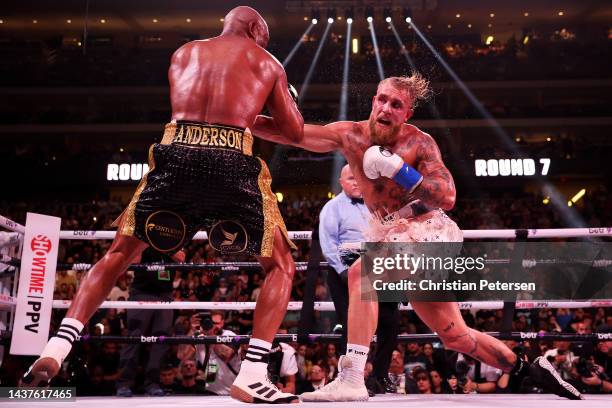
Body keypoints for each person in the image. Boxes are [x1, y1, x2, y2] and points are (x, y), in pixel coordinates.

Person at [21, 6, 304, 404]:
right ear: (256, 28)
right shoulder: (266, 61)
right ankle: (254, 372)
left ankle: (56, 346)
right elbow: (293, 132)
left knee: (119, 252)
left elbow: (206, 103)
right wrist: (279, 104)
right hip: (229, 157)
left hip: (175, 150)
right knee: (281, 265)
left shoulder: (184, 53)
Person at [253, 73, 582, 400]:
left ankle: (351, 378)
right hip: (392, 233)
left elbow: (448, 195)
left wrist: (400, 169)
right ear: (373, 101)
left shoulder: (419, 142)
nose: (386, 108)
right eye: (382, 100)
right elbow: (293, 134)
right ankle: (530, 369)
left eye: (396, 104)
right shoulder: (350, 135)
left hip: (427, 232)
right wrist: (242, 118)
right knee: (455, 336)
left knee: (362, 272)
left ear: (407, 113)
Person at [319, 164, 399, 394]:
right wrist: (343, 271)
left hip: (381, 267)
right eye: (351, 178)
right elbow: (328, 242)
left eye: (359, 178)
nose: (356, 182)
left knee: (390, 322)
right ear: (342, 182)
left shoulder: (380, 204)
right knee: (350, 325)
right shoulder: (332, 208)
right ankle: (350, 379)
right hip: (346, 271)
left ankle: (379, 377)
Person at [115, 248, 184, 397]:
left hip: (165, 294)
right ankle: (124, 383)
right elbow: (134, 260)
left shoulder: (173, 235)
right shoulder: (143, 235)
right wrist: (148, 243)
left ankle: (153, 383)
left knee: (161, 340)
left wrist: (164, 245)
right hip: (142, 292)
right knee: (134, 338)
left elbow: (181, 257)